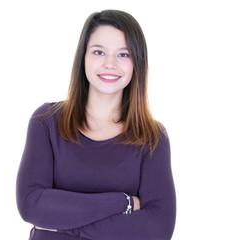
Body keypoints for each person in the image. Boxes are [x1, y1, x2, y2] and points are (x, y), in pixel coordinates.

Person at [16, 10, 176, 240]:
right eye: (99, 52)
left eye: (123, 54)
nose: (110, 64)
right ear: (83, 57)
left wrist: (65, 225)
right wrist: (125, 203)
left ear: (136, 63)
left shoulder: (152, 137)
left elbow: (157, 228)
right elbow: (31, 204)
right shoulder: (46, 121)